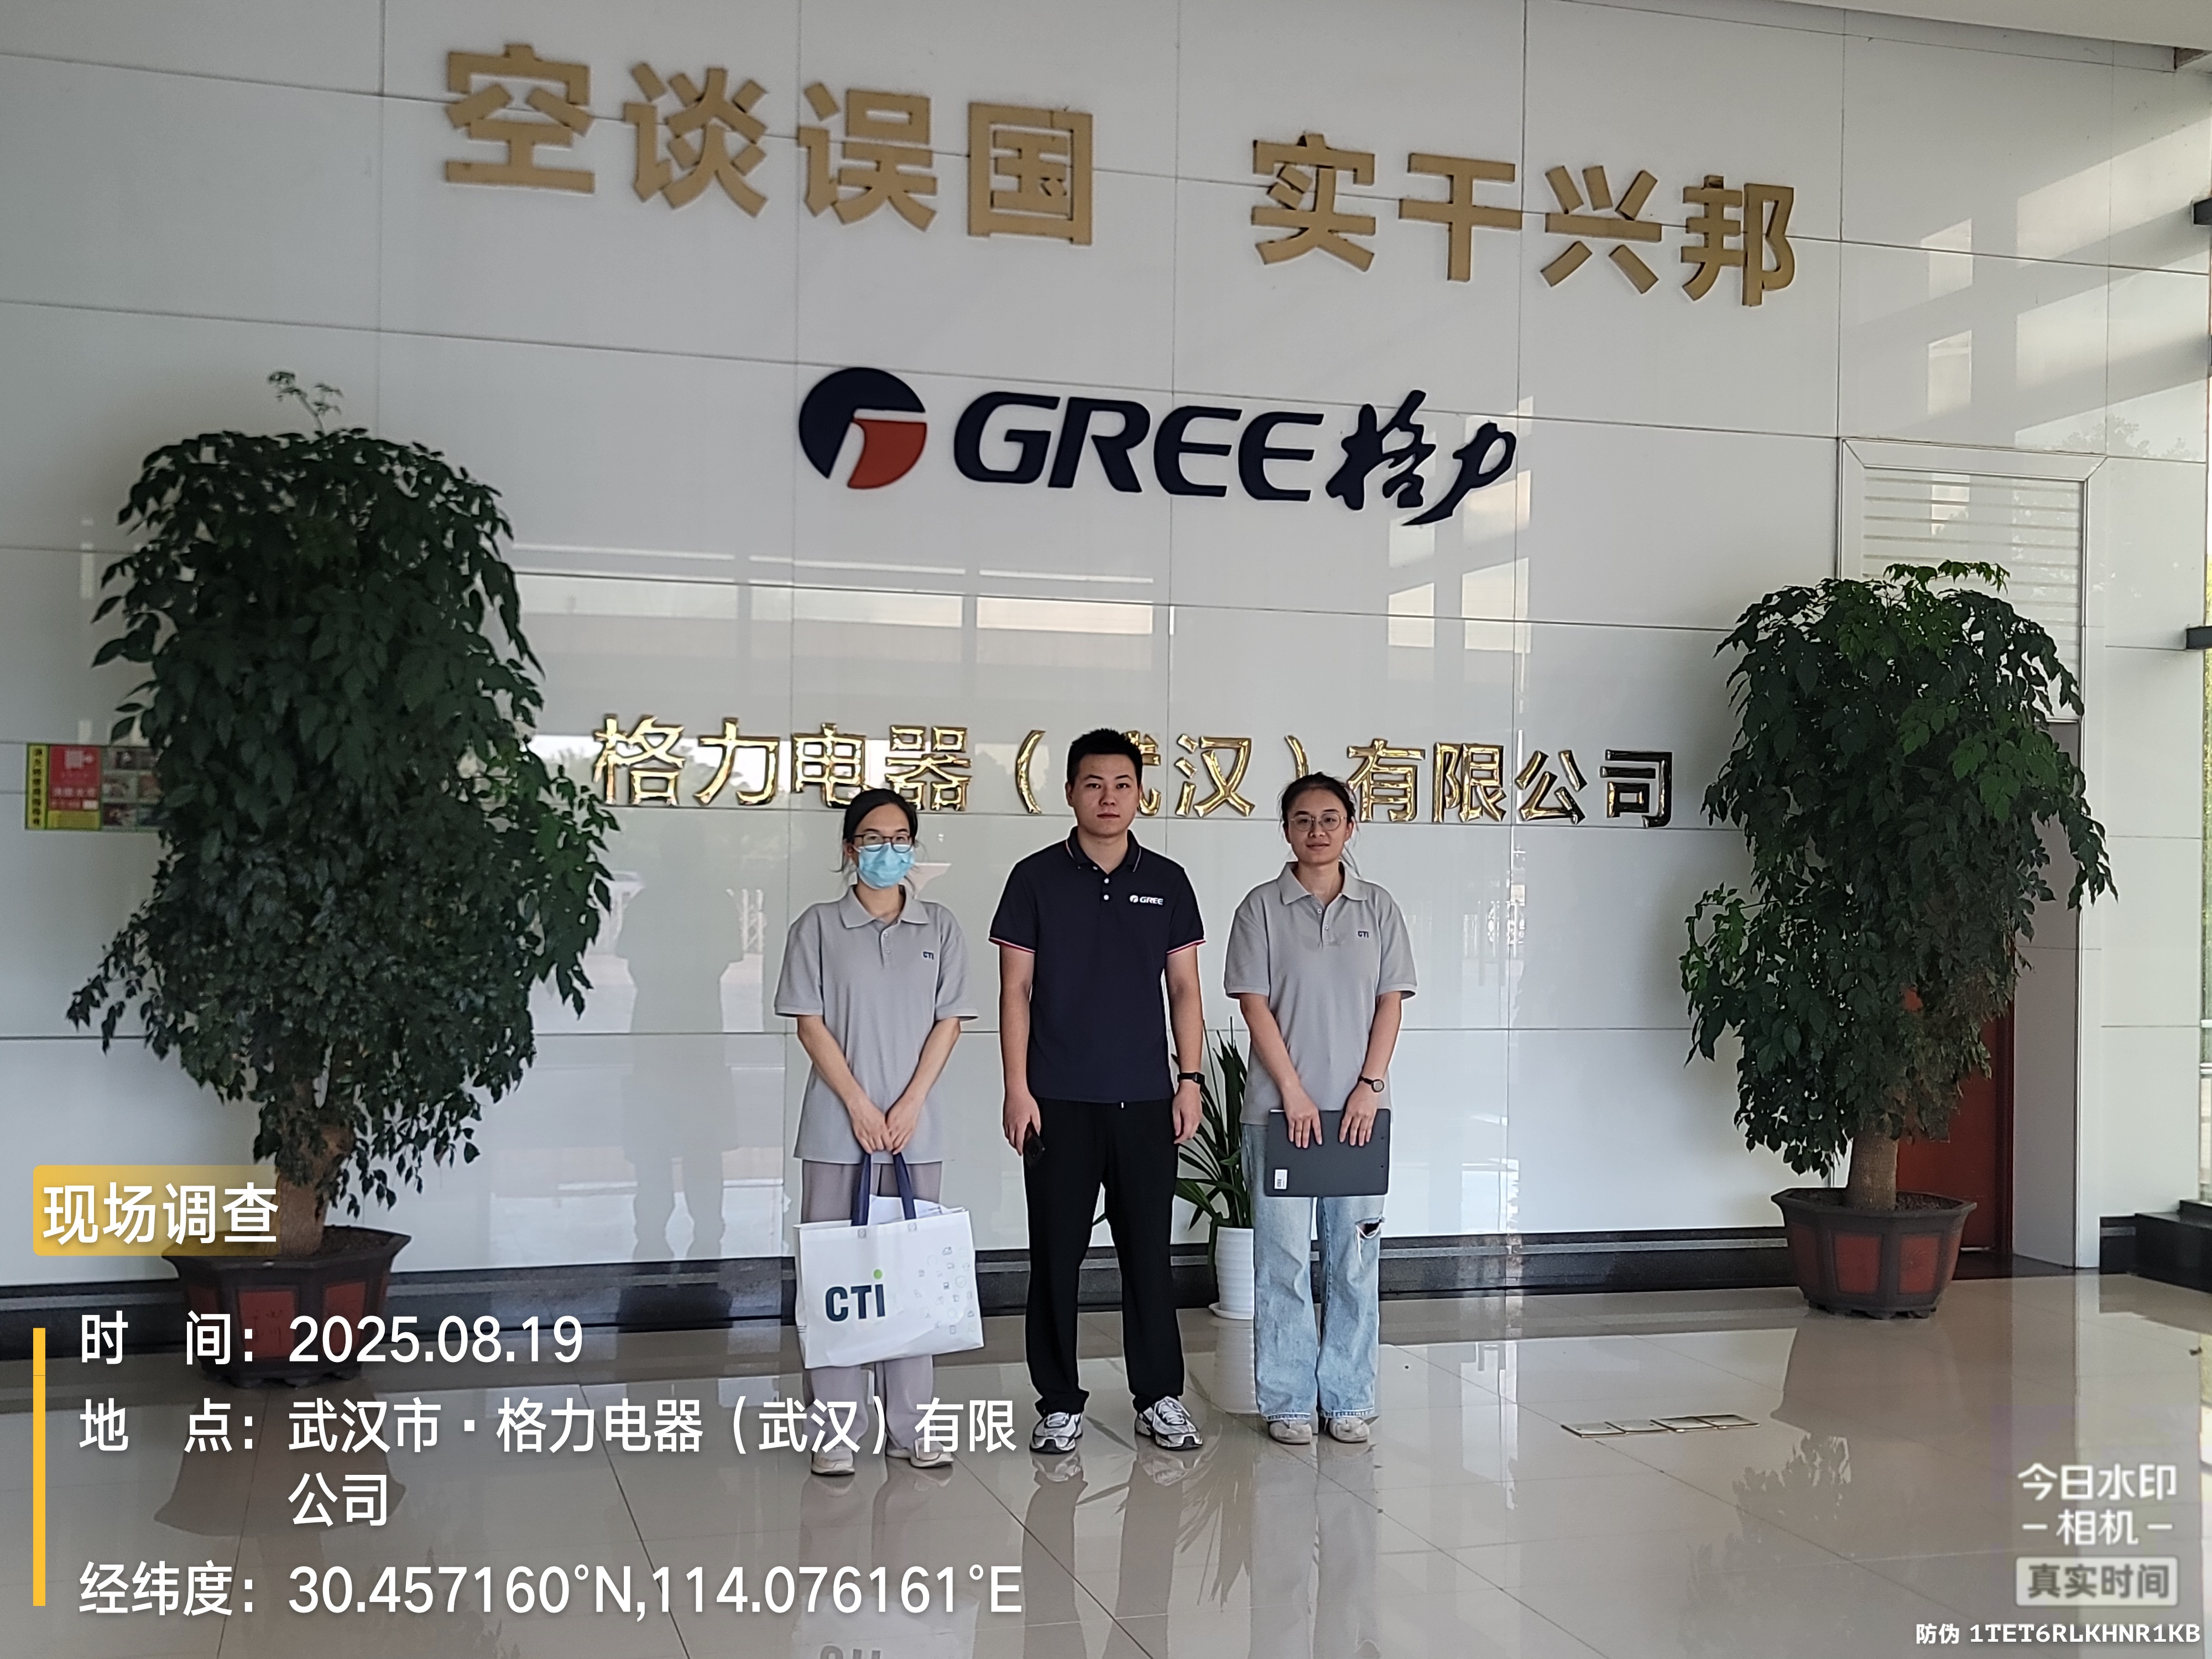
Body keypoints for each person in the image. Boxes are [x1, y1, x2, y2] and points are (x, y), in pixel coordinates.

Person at [992, 728, 1208, 1454]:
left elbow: (1184, 989)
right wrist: (1017, 1088)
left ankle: (1160, 1395)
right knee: (1055, 1257)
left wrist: (1189, 1080)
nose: (1108, 797)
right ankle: (1058, 1401)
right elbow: (1015, 991)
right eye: (1093, 784)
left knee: (1148, 1254)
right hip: (1056, 1100)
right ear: (1069, 793)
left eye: (1121, 784)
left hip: (1145, 1098)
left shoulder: (1168, 881)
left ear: (1140, 794)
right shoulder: (1033, 879)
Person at [774, 787, 975, 1477]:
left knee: (912, 1276)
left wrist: (910, 1103)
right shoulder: (817, 927)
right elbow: (809, 1024)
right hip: (837, 1130)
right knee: (837, 1280)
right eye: (872, 839)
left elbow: (950, 1022)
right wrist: (859, 1105)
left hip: (917, 1130)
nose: (887, 850)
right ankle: (834, 1430)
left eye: (899, 839)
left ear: (913, 847)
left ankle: (911, 1427)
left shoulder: (939, 927)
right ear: (848, 848)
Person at [1224, 773, 1415, 1445]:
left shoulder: (1378, 908)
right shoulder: (1260, 909)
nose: (1317, 831)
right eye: (1303, 820)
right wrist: (1293, 1090)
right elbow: (1254, 1006)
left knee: (1353, 1260)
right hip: (1279, 1116)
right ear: (1285, 830)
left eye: (1330, 819)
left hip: (1360, 1115)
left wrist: (1370, 1084)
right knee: (1280, 1260)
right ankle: (1287, 1403)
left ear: (1350, 828)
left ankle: (1349, 1398)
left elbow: (1391, 1001)